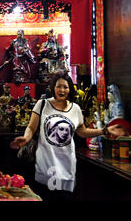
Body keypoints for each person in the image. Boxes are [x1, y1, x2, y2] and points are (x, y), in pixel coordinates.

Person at [10, 71, 126, 201]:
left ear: (70, 89)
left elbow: (82, 131)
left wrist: (104, 130)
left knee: (65, 199)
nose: (62, 90)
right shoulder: (42, 104)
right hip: (45, 163)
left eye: (65, 87)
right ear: (53, 88)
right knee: (44, 197)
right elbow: (31, 127)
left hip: (66, 165)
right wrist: (26, 138)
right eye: (58, 86)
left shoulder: (75, 109)